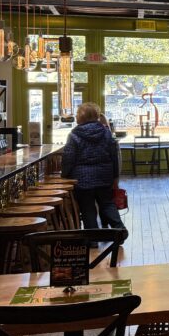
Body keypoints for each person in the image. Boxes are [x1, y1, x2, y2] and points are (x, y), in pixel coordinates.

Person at [61, 102, 127, 239]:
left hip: (82, 178)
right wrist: (115, 176)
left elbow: (69, 157)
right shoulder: (106, 133)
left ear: (81, 117)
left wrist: (65, 174)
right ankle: (119, 230)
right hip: (104, 175)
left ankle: (93, 239)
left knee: (87, 208)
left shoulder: (74, 135)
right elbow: (113, 156)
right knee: (107, 204)